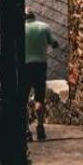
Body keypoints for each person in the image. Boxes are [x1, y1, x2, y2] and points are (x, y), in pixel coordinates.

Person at [24, 9, 57, 142]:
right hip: (40, 65)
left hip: (25, 66)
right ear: (34, 16)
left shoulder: (21, 28)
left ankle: (26, 130)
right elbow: (54, 43)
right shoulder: (44, 27)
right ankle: (40, 127)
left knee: (23, 99)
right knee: (39, 99)